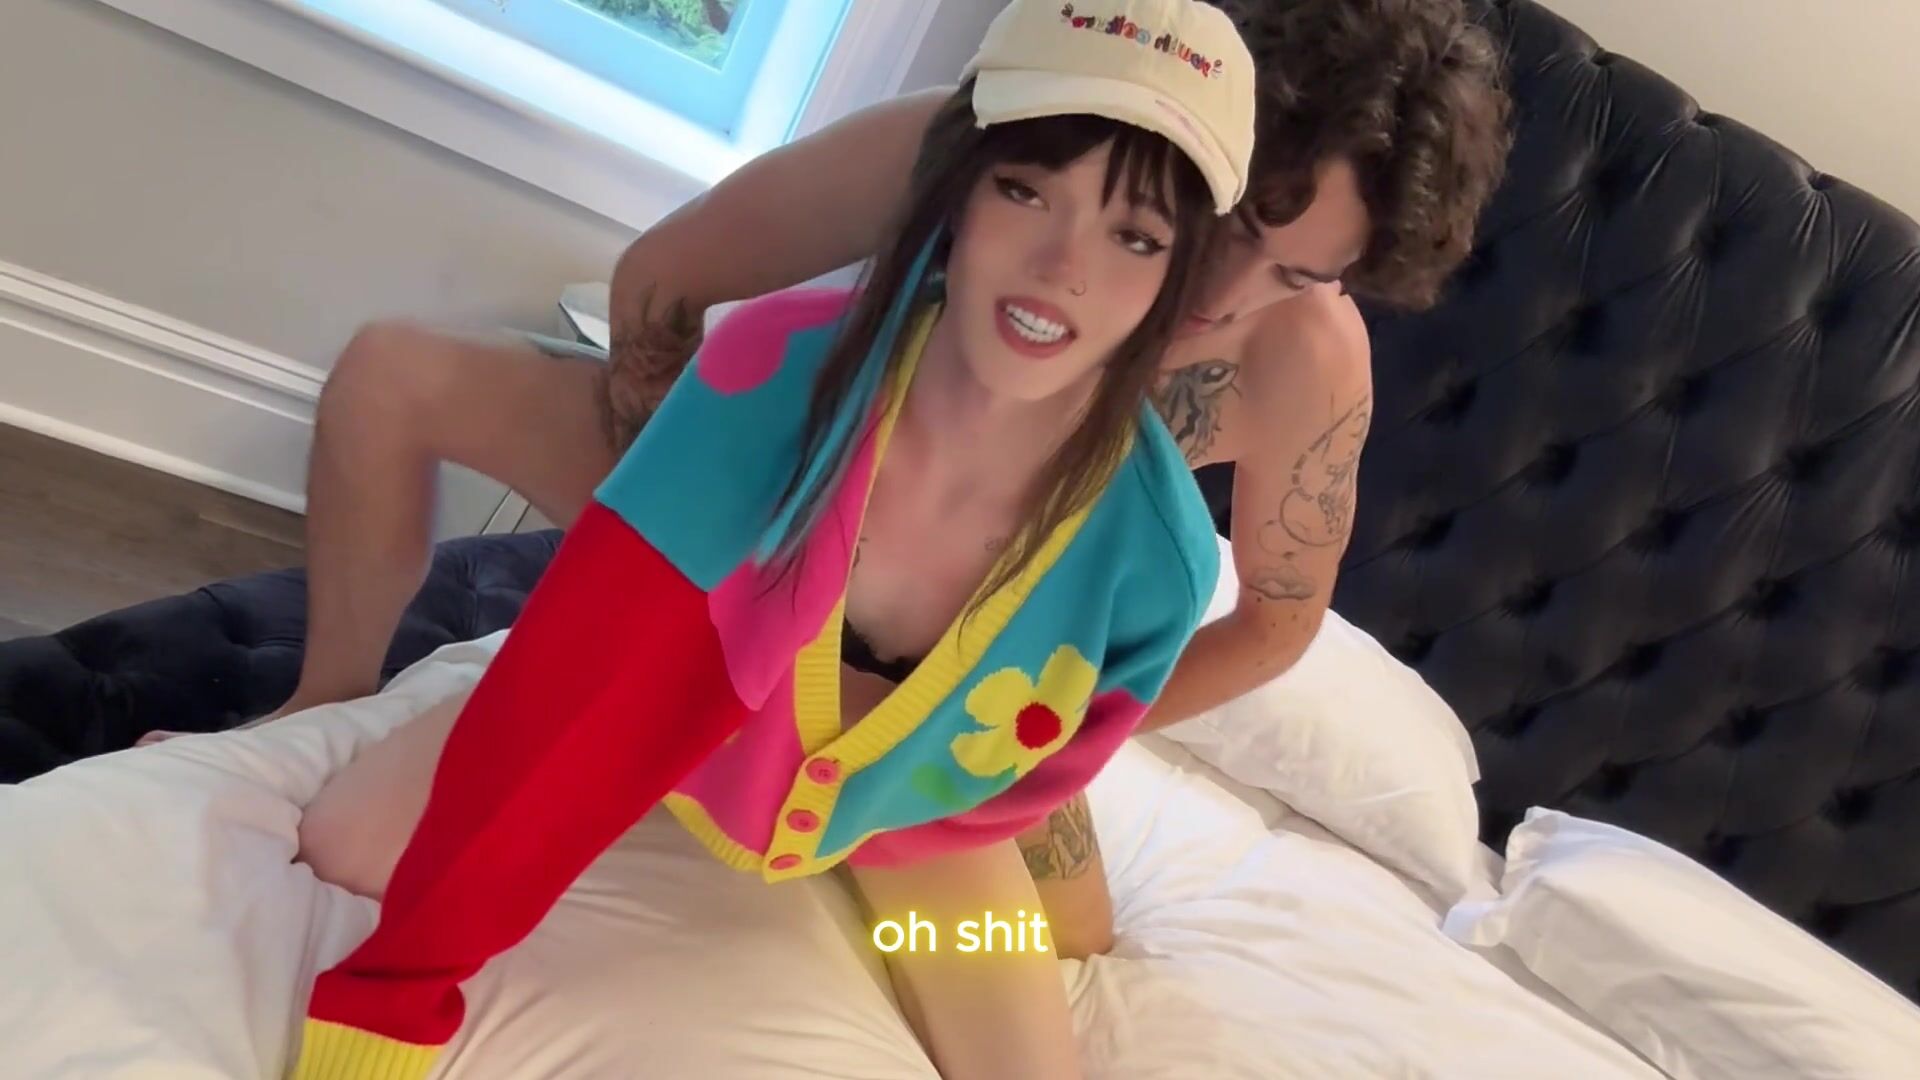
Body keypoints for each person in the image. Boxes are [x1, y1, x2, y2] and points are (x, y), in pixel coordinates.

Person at [143, 0, 1512, 963]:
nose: (1223, 295)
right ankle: (325, 694)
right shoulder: (978, 150)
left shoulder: (1304, 362)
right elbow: (661, 282)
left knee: (1066, 936)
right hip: (788, 514)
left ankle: (848, 897)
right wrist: (694, 524)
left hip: (980, 641)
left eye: (1298, 274)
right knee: (391, 376)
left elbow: (1274, 622)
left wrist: (1034, 726)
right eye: (1232, 227)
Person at [285, 2, 1257, 1078]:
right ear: (958, 188)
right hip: (664, 720)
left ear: (1179, 277)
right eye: (1025, 190)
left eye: (1136, 237)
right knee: (346, 844)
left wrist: (860, 808)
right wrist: (388, 1009)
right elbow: (578, 674)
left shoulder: (1159, 555)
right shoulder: (763, 374)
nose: (1063, 266)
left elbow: (1038, 778)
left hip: (900, 817)